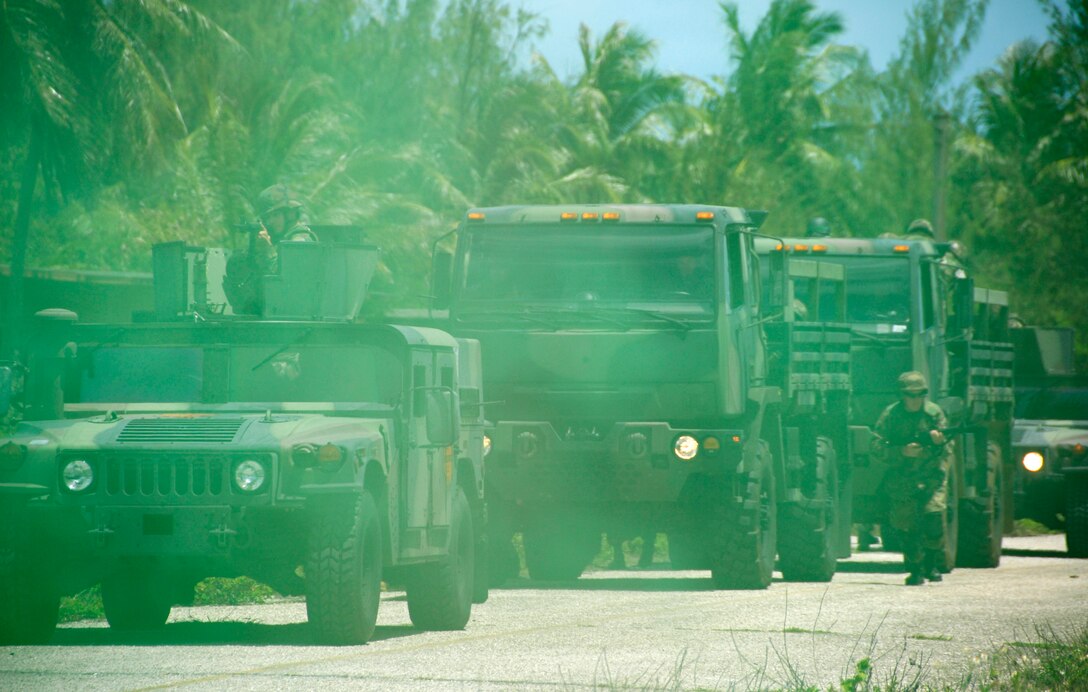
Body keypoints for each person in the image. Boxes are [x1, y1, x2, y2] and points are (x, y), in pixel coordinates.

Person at [871, 371, 951, 585]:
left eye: (920, 394)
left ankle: (931, 565)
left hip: (932, 476)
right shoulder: (891, 416)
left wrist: (938, 442)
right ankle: (915, 568)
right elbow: (876, 446)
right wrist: (900, 452)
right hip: (902, 479)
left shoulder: (934, 413)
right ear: (902, 395)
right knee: (906, 526)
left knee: (933, 519)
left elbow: (949, 447)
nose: (916, 400)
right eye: (910, 395)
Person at [224, 184, 318, 314]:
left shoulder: (300, 242)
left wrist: (267, 251)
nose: (270, 222)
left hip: (293, 314)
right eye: (267, 217)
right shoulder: (280, 240)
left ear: (290, 214)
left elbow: (284, 283)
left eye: (276, 215)